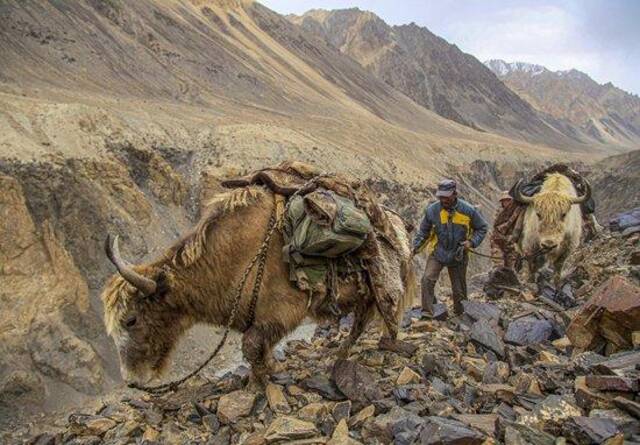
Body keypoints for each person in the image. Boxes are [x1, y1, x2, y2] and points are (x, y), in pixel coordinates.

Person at [412, 179, 488, 316]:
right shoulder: (432, 211)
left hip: (458, 254)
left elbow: (482, 228)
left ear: (454, 194)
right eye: (441, 196)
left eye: (446, 196)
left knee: (459, 289)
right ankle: (427, 313)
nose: (443, 199)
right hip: (438, 252)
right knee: (427, 279)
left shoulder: (468, 210)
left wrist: (471, 242)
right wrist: (414, 248)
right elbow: (424, 232)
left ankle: (460, 314)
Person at [490, 191, 521, 270]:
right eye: (504, 200)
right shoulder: (499, 213)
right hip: (498, 241)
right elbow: (497, 228)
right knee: (498, 265)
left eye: (508, 200)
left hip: (512, 243)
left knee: (511, 267)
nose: (506, 202)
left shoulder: (518, 212)